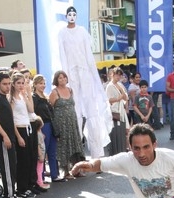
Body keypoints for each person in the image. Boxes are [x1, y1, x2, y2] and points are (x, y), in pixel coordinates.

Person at [57, 6, 112, 157]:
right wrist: (66, 77)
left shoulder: (82, 31)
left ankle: (97, 154)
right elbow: (63, 55)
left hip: (85, 72)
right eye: (69, 14)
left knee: (92, 112)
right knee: (76, 113)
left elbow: (88, 54)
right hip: (72, 74)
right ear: (66, 16)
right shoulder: (62, 33)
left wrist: (92, 73)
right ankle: (77, 155)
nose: (72, 16)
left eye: (74, 14)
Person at [0, 72, 25, 198]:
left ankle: (11, 194)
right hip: (3, 140)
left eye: (8, 83)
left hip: (10, 138)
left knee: (12, 167)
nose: (7, 86)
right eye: (4, 84)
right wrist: (4, 136)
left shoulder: (5, 97)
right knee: (7, 169)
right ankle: (9, 197)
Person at [49, 70, 85, 178]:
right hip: (61, 124)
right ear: (56, 80)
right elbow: (51, 109)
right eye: (60, 78)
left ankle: (76, 169)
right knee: (64, 146)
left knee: (75, 145)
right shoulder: (55, 92)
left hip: (72, 123)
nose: (63, 79)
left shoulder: (70, 90)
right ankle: (66, 172)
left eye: (64, 77)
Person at [9, 71, 36, 198]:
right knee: (22, 161)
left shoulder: (22, 96)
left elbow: (31, 110)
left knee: (29, 159)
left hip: (27, 128)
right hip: (19, 130)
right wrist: (18, 136)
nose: (21, 85)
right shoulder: (12, 99)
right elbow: (12, 119)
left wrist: (28, 94)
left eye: (22, 83)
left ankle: (27, 186)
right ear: (13, 84)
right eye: (18, 83)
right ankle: (21, 189)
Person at [33, 74, 59, 185]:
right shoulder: (34, 98)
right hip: (42, 126)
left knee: (52, 151)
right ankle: (41, 176)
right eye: (40, 83)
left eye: (44, 83)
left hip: (51, 125)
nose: (43, 85)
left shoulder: (45, 97)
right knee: (42, 152)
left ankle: (55, 175)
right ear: (35, 84)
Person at [106, 67, 129, 155]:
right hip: (114, 110)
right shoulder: (109, 86)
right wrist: (118, 98)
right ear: (113, 75)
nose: (118, 77)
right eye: (117, 75)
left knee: (126, 130)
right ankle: (116, 150)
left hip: (121, 110)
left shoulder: (120, 85)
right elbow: (109, 100)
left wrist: (121, 90)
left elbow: (126, 97)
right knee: (116, 131)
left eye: (120, 75)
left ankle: (125, 149)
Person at [35, 117, 50, 189]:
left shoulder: (38, 132)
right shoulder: (37, 134)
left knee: (40, 169)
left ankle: (40, 181)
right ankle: (40, 182)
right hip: (40, 153)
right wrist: (40, 155)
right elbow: (38, 144)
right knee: (39, 170)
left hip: (42, 152)